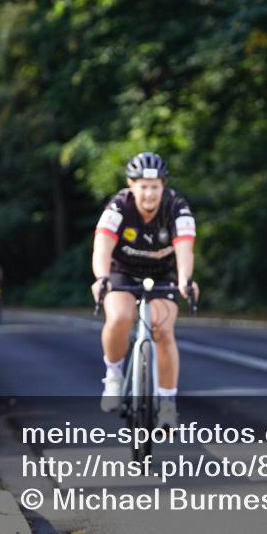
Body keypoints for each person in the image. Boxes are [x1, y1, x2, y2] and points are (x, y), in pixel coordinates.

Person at [90, 152, 199, 430]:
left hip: (163, 274)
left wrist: (186, 279)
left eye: (155, 187)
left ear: (163, 186)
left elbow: (185, 248)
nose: (149, 193)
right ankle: (113, 376)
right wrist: (102, 278)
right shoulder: (118, 206)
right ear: (131, 185)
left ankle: (166, 404)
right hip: (123, 271)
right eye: (143, 186)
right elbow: (102, 246)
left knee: (162, 330)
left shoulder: (176, 206)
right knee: (119, 318)